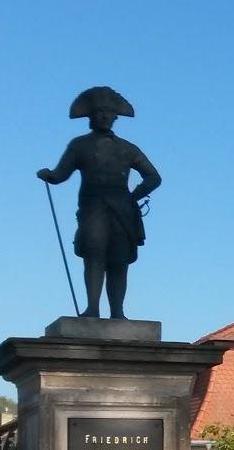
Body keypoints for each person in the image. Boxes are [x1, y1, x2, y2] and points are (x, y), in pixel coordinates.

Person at [37, 86, 161, 319]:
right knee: (94, 253)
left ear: (116, 116)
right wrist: (49, 176)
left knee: (119, 259)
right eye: (99, 111)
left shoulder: (128, 148)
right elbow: (61, 174)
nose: (104, 115)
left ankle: (118, 312)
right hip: (93, 205)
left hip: (122, 208)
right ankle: (92, 308)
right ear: (90, 116)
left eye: (108, 111)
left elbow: (154, 177)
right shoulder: (79, 145)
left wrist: (133, 196)